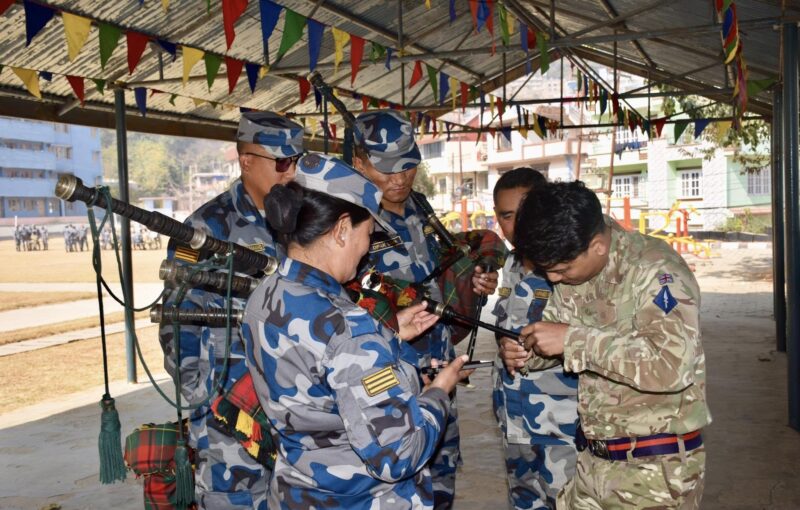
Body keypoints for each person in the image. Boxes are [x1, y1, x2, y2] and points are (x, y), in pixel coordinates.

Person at [242, 152, 470, 509]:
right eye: (368, 234)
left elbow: (321, 376)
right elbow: (399, 455)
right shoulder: (350, 329)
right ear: (342, 229)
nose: (367, 250)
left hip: (297, 495)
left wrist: (388, 336)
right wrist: (438, 393)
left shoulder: (265, 295)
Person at [501, 181, 711, 508]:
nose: (554, 279)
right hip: (591, 462)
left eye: (561, 270)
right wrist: (528, 352)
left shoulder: (657, 271)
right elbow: (558, 339)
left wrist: (572, 339)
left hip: (654, 471)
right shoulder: (574, 269)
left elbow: (671, 365)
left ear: (597, 245)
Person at [352, 109, 498, 509]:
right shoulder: (348, 217)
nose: (399, 178)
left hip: (438, 371)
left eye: (408, 165)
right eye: (386, 169)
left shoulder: (418, 206)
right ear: (359, 163)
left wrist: (472, 281)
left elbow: (439, 270)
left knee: (442, 479)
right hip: (387, 378)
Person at [158, 111, 304, 509]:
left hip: (299, 407)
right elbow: (176, 323)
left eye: (297, 161)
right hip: (232, 417)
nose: (292, 172)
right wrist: (207, 399)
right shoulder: (207, 229)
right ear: (246, 161)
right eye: (282, 162)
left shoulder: (305, 219)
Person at [491, 169, 578, 510]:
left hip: (562, 426)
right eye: (506, 216)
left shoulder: (572, 267)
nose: (516, 226)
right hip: (514, 418)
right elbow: (506, 325)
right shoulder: (511, 265)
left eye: (524, 213)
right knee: (525, 500)